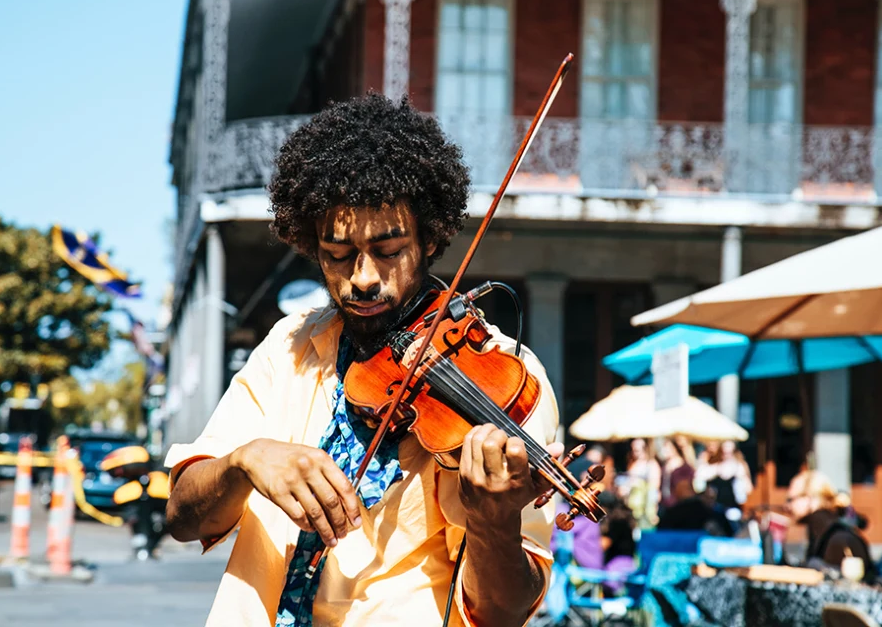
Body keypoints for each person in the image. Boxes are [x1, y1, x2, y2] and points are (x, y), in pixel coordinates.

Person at [164, 94, 566, 627]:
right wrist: (244, 462)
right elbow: (182, 515)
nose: (362, 278)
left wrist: (493, 523)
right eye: (336, 254)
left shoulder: (507, 377)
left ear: (429, 239)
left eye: (389, 249)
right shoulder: (289, 346)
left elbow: (505, 611)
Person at [786, 471, 874, 580]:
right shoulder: (820, 533)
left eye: (790, 500)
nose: (787, 506)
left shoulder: (838, 539)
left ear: (810, 498)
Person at [658, 438, 695, 515]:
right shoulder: (664, 467)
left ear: (674, 448)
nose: (664, 450)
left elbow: (685, 489)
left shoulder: (685, 468)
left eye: (667, 447)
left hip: (680, 506)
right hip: (664, 505)